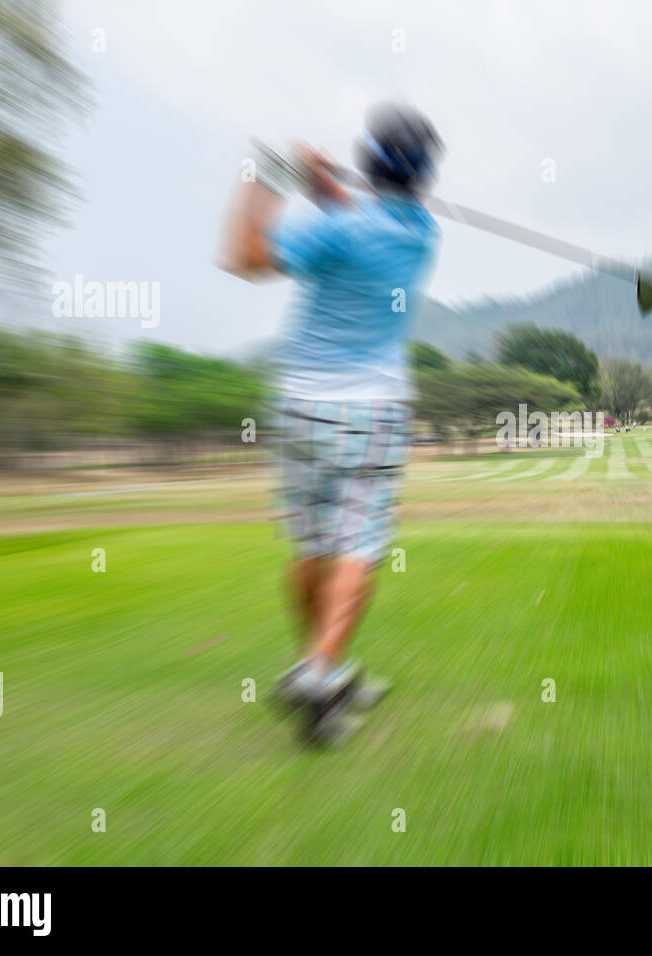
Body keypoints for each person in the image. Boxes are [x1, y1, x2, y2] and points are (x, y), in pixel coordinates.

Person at [217, 103, 443, 706]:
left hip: (299, 408)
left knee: (314, 547)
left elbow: (243, 257)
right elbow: (356, 221)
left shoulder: (334, 231)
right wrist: (318, 183)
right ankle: (321, 670)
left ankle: (316, 668)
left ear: (367, 159)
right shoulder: (423, 234)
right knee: (359, 543)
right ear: (425, 178)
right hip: (373, 411)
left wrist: (267, 175)